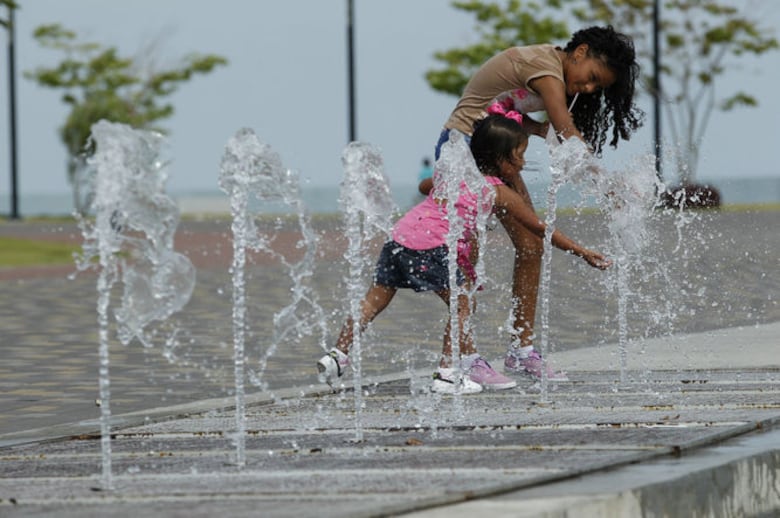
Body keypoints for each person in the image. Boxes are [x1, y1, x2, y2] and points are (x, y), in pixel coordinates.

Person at [317, 112, 611, 394]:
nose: (522, 165)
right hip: (433, 246)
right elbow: (539, 227)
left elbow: (423, 186)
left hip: (399, 237)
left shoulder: (456, 175)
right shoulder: (498, 191)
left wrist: (443, 182)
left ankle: (338, 355)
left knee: (373, 300)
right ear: (499, 159)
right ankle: (446, 375)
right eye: (518, 156)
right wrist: (580, 251)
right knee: (462, 306)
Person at [427, 25, 642, 380]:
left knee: (531, 244)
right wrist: (606, 186)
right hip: (462, 151)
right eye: (590, 78)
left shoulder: (552, 68)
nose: (588, 89)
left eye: (596, 88)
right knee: (468, 255)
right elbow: (565, 129)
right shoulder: (546, 70)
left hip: (495, 154)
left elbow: (502, 107)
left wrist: (537, 131)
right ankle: (462, 359)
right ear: (580, 52)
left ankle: (521, 350)